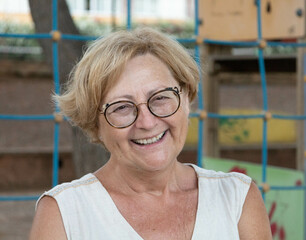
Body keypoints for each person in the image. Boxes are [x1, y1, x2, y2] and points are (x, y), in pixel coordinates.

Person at [30, 27, 272, 239]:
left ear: (187, 98)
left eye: (160, 98)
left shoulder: (237, 198)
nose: (147, 122)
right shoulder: (64, 213)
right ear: (95, 124)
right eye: (122, 107)